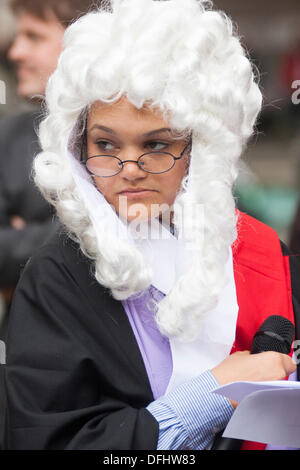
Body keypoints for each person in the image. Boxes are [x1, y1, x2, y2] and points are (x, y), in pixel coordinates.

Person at [4, 0, 299, 451]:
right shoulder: (56, 277)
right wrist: (212, 395)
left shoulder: (263, 252)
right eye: (105, 143)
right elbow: (48, 439)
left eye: (157, 144)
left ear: (201, 147)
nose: (129, 168)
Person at [0, 0, 101, 341]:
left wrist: (25, 242)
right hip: (24, 352)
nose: (15, 52)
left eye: (34, 36)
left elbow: (149, 224)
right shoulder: (7, 139)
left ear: (84, 42)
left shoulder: (131, 136)